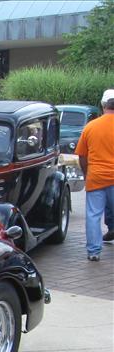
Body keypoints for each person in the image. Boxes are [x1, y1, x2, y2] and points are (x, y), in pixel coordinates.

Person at [75, 89, 114, 261]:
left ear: (103, 105)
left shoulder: (91, 127)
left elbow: (82, 155)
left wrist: (86, 173)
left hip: (96, 177)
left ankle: (93, 251)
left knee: (93, 215)